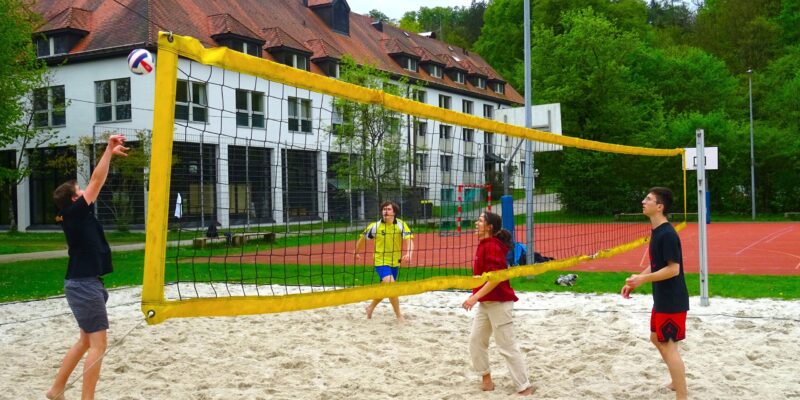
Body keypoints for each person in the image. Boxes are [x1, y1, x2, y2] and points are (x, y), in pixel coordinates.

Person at [47, 134, 128, 400]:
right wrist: (108, 149)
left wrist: (109, 152)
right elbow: (97, 180)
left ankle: (56, 389)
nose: (85, 192)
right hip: (83, 284)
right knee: (98, 345)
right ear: (74, 199)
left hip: (83, 282)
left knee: (85, 341)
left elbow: (94, 184)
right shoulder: (76, 212)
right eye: (79, 191)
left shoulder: (72, 215)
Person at [621, 187, 689, 400]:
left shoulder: (667, 234)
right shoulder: (657, 231)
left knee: (669, 347)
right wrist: (636, 281)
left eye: (648, 199)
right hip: (662, 298)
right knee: (656, 338)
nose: (643, 201)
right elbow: (656, 265)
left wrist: (642, 279)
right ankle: (674, 382)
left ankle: (682, 396)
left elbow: (673, 269)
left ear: (659, 207)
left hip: (672, 300)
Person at [462, 211, 533, 396]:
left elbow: (494, 279)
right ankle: (487, 381)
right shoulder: (483, 244)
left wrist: (474, 297)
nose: (476, 223)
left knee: (506, 346)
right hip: (486, 304)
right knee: (476, 341)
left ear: (489, 226)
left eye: (480, 220)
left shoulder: (492, 246)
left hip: (500, 303)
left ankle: (524, 386)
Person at [353, 200, 414, 322]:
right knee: (392, 286)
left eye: (389, 209)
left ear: (394, 212)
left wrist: (409, 253)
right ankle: (399, 316)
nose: (386, 211)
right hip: (380, 261)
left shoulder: (401, 225)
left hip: (395, 262)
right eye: (384, 209)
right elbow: (362, 239)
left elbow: (409, 240)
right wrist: (356, 252)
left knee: (385, 288)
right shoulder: (375, 226)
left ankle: (370, 308)